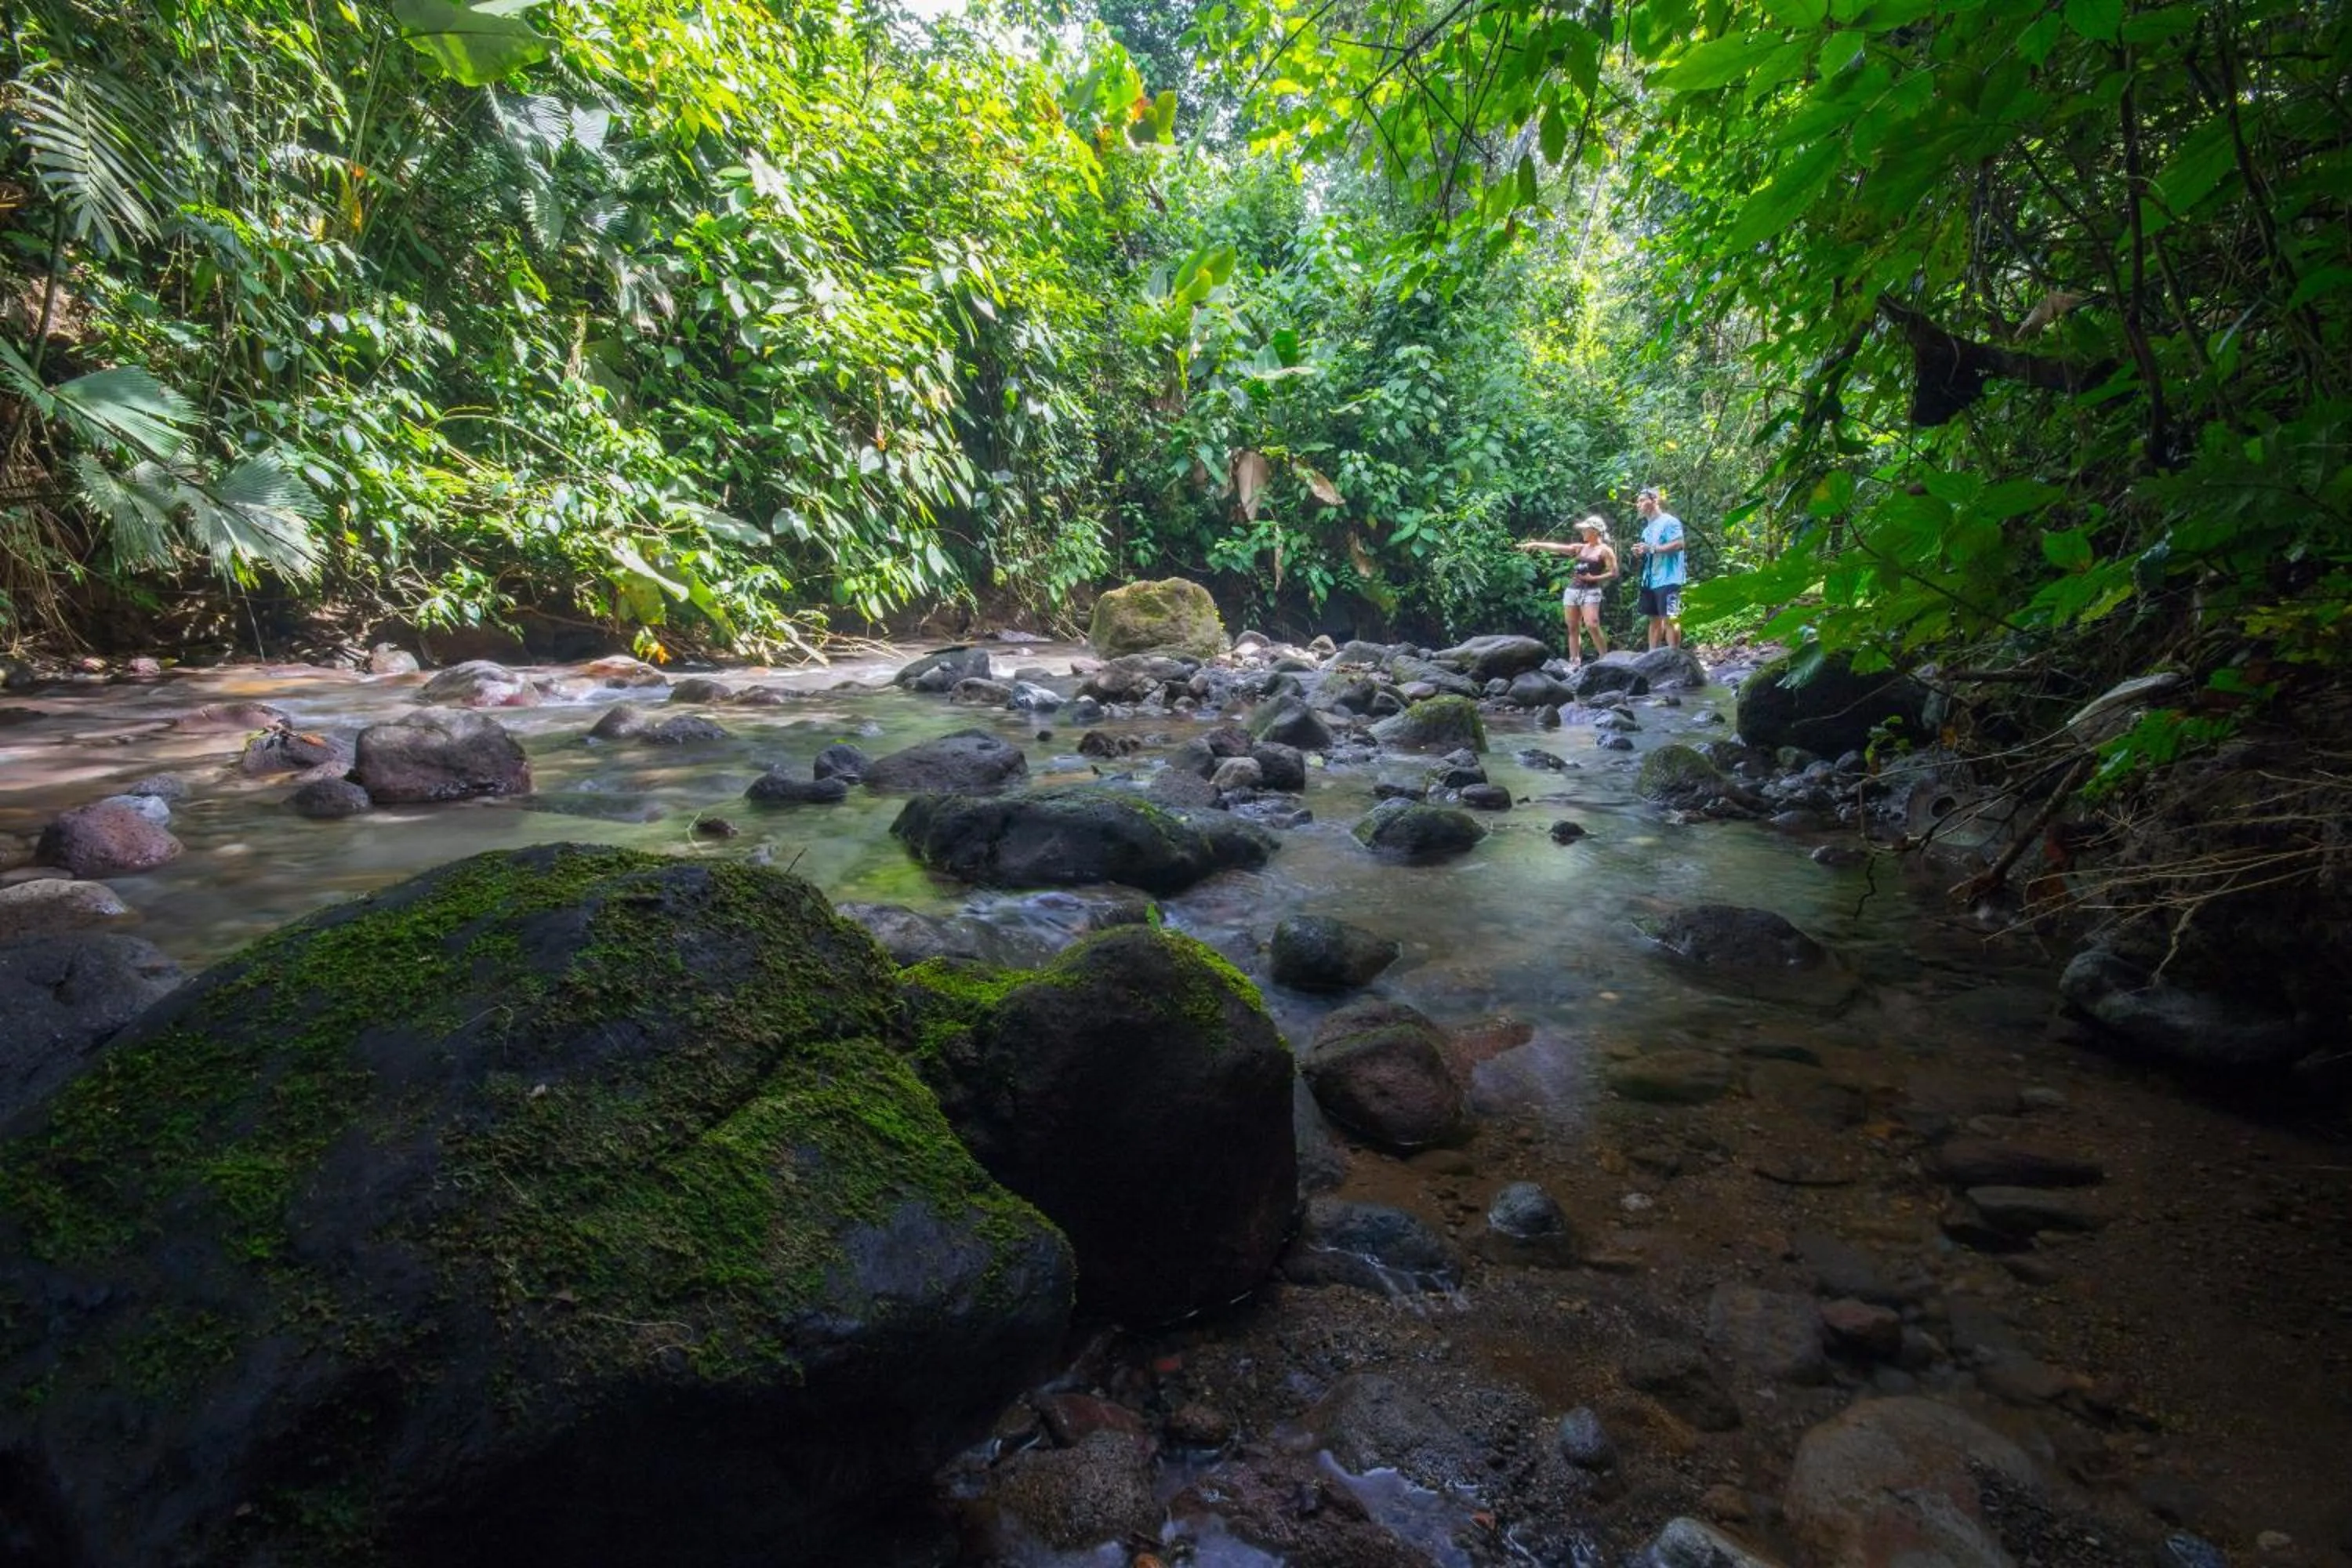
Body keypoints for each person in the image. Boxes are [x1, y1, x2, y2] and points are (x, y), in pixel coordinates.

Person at [1515, 516, 1617, 668]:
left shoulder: (1605, 551)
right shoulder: (1580, 548)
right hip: (1573, 590)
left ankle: (1604, 658)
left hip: (1591, 590)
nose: (1582, 532)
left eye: (1585, 529)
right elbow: (1556, 547)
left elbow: (1614, 573)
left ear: (1595, 531)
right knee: (1572, 626)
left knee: (1592, 624)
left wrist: (1593, 577)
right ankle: (1574, 661)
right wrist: (1535, 544)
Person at [1630, 486, 1686, 651]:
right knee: (1654, 619)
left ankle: (1675, 656)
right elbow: (1650, 550)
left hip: (1669, 579)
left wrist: (1652, 548)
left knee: (1670, 617)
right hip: (1651, 580)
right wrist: (1641, 552)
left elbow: (1679, 544)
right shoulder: (1647, 529)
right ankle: (1652, 657)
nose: (1638, 505)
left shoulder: (1669, 521)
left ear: (1654, 500)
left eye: (1642, 501)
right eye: (1637, 502)